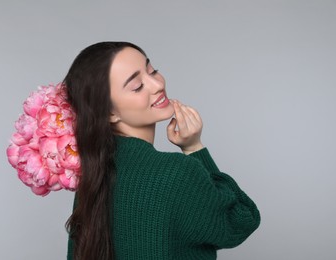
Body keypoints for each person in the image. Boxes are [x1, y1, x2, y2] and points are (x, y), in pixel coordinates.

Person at [64, 41, 260, 260]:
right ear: (109, 113)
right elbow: (241, 220)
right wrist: (195, 148)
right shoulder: (177, 172)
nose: (156, 84)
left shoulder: (92, 178)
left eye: (152, 71)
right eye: (137, 86)